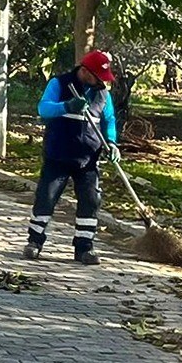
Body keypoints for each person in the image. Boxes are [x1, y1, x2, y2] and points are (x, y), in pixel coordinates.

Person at [26, 48, 120, 266]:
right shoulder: (59, 84)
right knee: (46, 197)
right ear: (86, 71)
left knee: (90, 201)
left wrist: (112, 143)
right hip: (58, 153)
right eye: (99, 77)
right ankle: (34, 242)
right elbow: (44, 109)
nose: (102, 82)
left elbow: (109, 120)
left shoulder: (103, 94)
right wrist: (66, 106)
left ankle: (84, 248)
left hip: (88, 158)